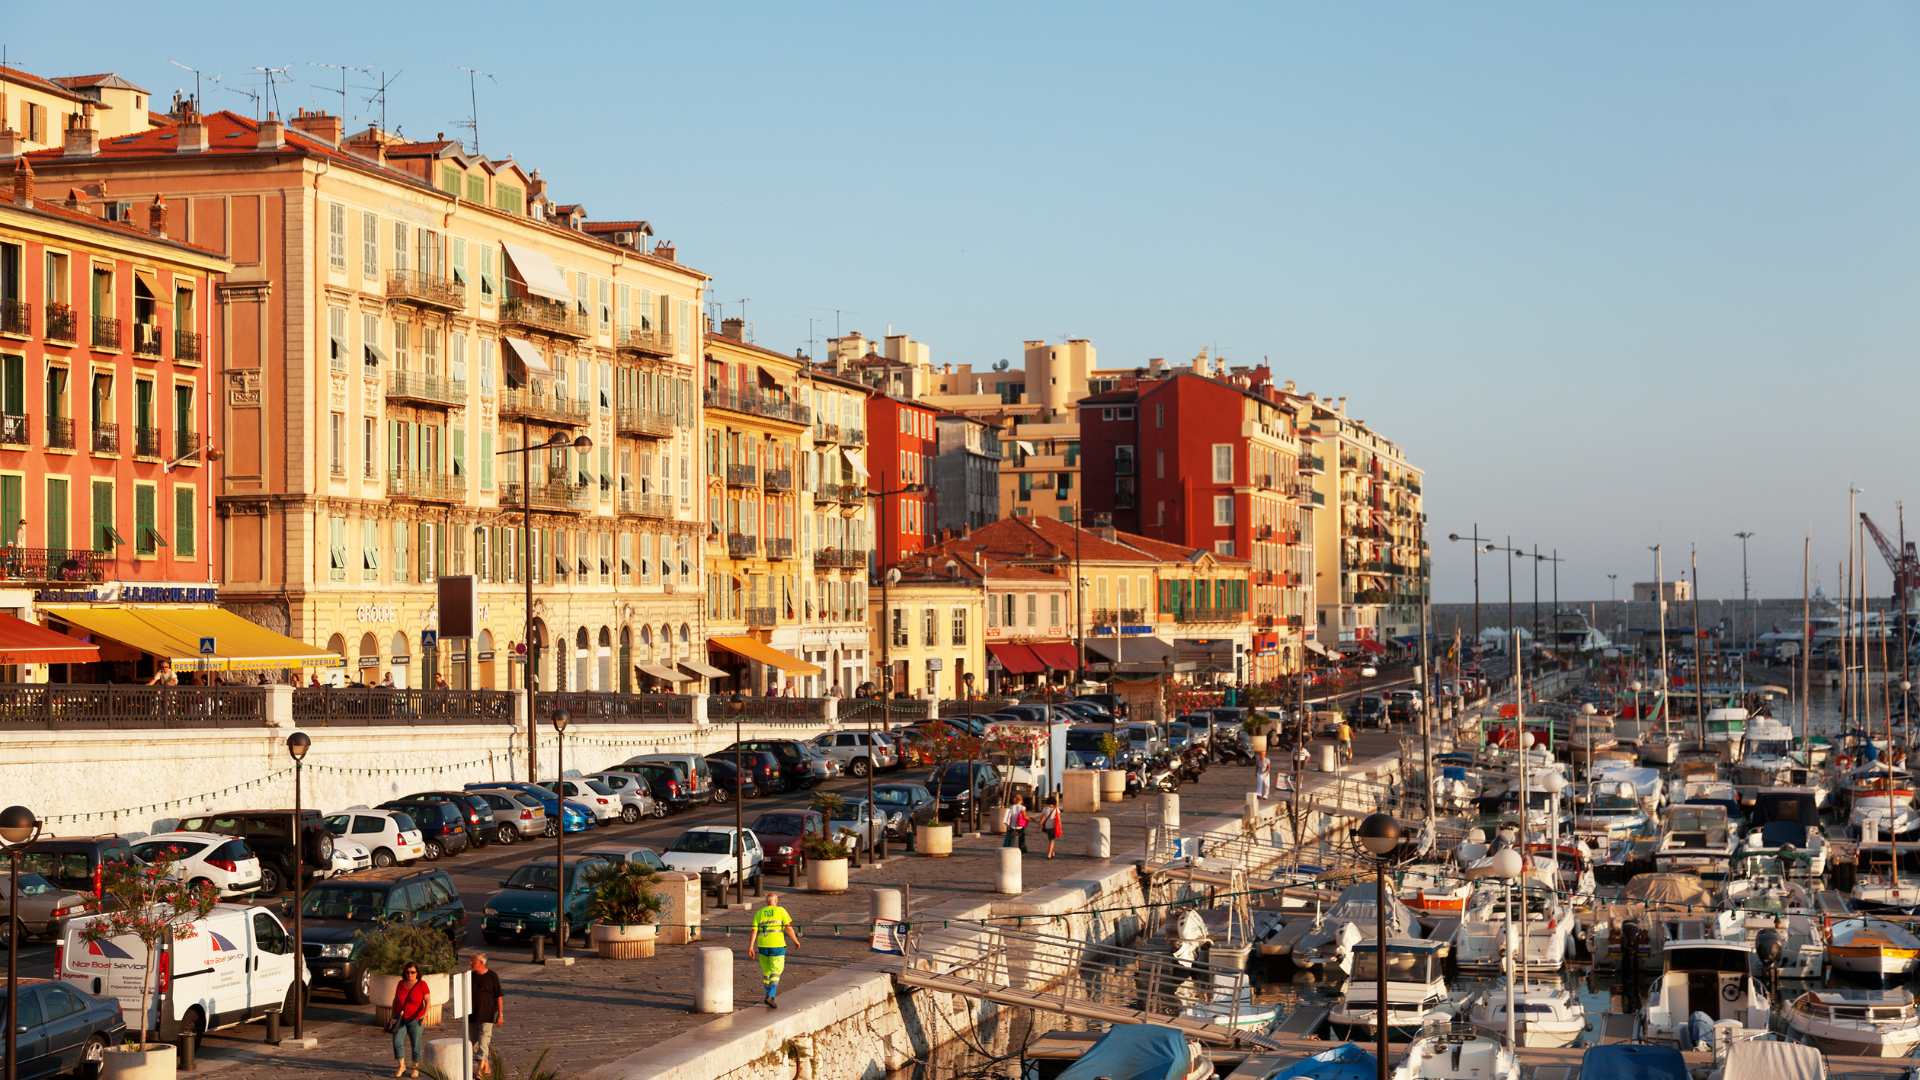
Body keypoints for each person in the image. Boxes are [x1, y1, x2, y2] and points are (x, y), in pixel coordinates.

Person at [748, 893, 801, 1007]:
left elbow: (754, 931)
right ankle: (771, 996)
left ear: (766, 902)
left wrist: (751, 946)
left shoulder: (759, 913)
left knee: (767, 972)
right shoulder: (781, 911)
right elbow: (788, 927)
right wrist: (795, 940)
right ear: (776, 901)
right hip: (777, 945)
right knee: (776, 971)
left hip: (762, 945)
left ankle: (768, 995)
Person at [389, 962, 430, 1078]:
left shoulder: (422, 984)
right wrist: (392, 1016)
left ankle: (415, 1068)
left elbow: (427, 1002)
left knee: (415, 1044)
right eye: (407, 972)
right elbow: (395, 1001)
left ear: (417, 973)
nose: (410, 974)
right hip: (400, 1018)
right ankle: (402, 1066)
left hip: (416, 1019)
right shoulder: (400, 984)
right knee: (397, 1041)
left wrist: (424, 1015)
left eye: (413, 972)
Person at [467, 953, 504, 1078]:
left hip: (487, 1014)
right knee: (473, 1044)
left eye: (473, 962)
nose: (470, 964)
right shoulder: (470, 976)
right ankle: (486, 1067)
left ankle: (480, 1072)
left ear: (481, 963)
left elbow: (498, 996)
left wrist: (500, 1014)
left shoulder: (492, 976)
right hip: (472, 1015)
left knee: (483, 1042)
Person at [1039, 795, 1063, 859]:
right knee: (1052, 840)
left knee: (1051, 839)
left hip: (1047, 827)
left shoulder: (1045, 809)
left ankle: (1052, 852)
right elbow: (1058, 819)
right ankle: (1049, 854)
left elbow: (1042, 817)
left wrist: (1040, 824)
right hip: (1053, 827)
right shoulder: (1056, 809)